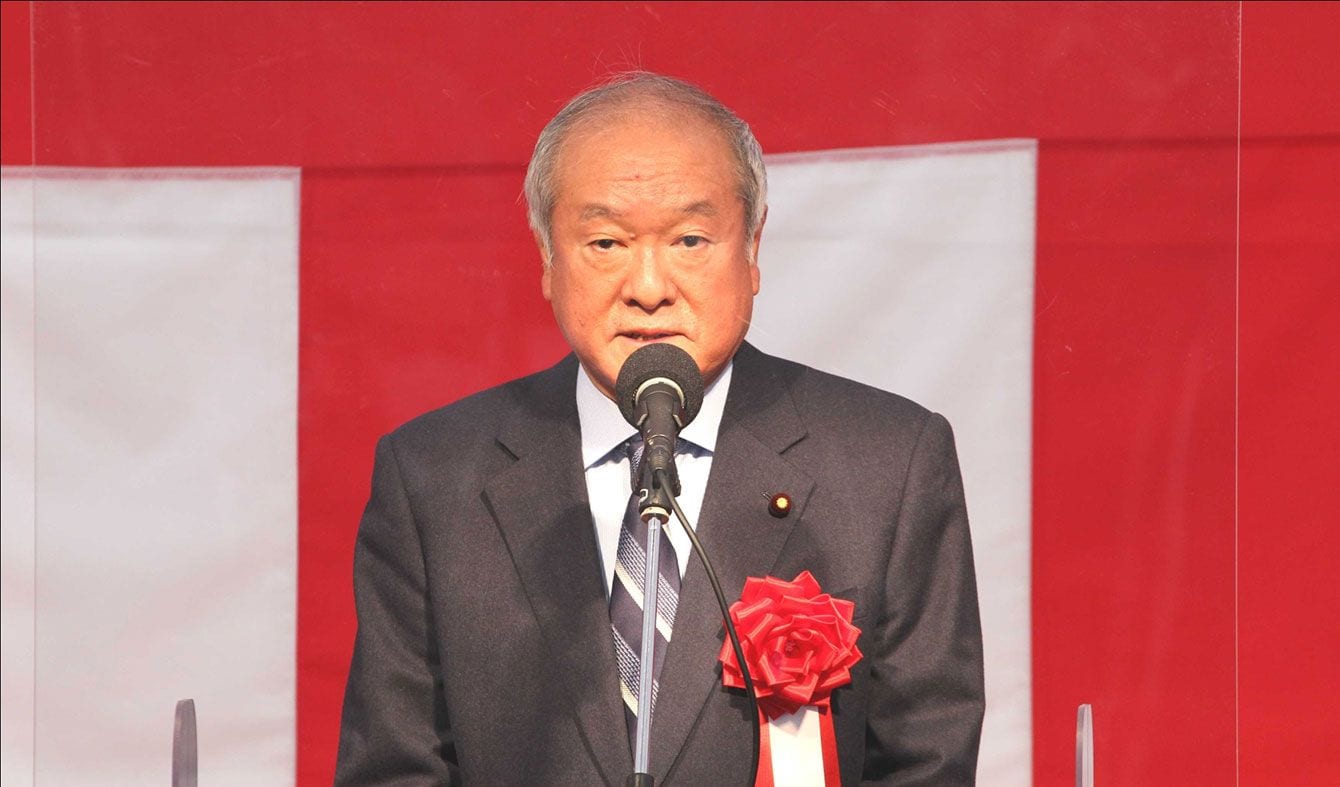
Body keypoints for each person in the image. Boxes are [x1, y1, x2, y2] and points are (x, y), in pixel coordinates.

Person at [335, 72, 984, 786]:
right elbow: (396, 768)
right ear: (547, 256)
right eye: (606, 242)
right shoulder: (434, 478)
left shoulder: (887, 463)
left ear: (753, 246)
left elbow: (925, 764)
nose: (648, 287)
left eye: (690, 239)